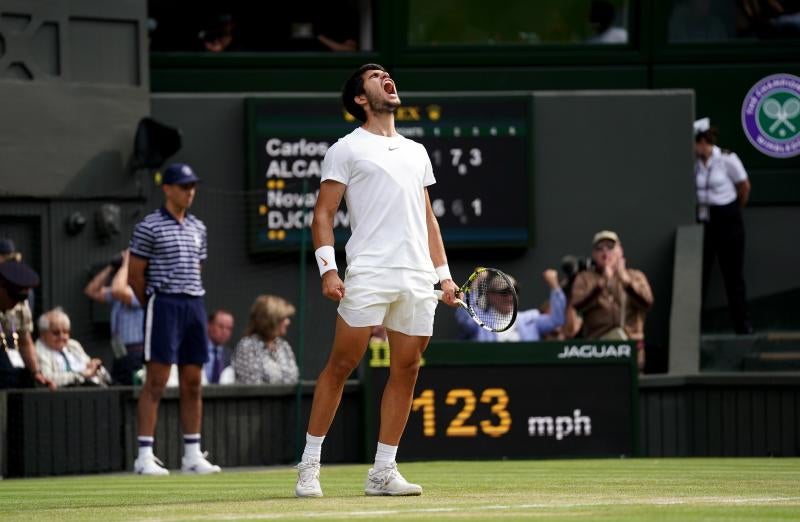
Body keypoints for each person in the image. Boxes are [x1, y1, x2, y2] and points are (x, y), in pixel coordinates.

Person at [295, 63, 459, 498]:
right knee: (342, 365)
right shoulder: (345, 149)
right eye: (374, 76)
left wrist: (443, 277)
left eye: (386, 73)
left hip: (417, 276)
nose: (386, 77)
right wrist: (328, 269)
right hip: (368, 270)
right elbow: (323, 214)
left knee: (406, 368)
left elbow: (428, 219)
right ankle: (310, 464)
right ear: (362, 100)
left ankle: (383, 472)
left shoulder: (416, 151)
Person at [128, 162, 221, 476]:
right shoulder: (148, 226)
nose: (190, 191)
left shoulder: (199, 227)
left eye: (192, 186)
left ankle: (192, 456)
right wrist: (155, 302)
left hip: (194, 304)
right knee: (156, 380)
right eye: (184, 186)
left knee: (193, 383)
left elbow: (198, 270)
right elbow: (134, 276)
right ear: (167, 189)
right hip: (164, 305)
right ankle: (143, 456)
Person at [694, 118, 753, 334]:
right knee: (701, 274)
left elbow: (744, 187)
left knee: (733, 275)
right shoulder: (694, 163)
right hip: (704, 220)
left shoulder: (727, 159)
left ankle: (742, 325)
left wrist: (734, 209)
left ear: (702, 141)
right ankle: (695, 326)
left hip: (727, 218)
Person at [571, 230, 653, 371]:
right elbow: (577, 305)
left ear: (620, 251)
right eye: (599, 248)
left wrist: (626, 282)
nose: (605, 252)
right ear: (593, 254)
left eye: (610, 247)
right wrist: (601, 284)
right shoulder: (584, 278)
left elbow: (647, 303)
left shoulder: (635, 276)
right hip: (598, 349)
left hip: (630, 347)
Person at [84, 249, 145, 385]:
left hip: (137, 352)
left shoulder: (143, 290)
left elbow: (118, 290)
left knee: (132, 391)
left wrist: (126, 264)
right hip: (120, 352)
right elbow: (91, 290)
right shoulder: (121, 293)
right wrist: (111, 267)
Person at [455, 270, 566, 342]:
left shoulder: (530, 319)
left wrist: (555, 287)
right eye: (504, 292)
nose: (510, 297)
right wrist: (474, 287)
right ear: (490, 295)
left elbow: (557, 320)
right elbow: (465, 319)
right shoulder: (480, 321)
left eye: (514, 291)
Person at [0, 260, 54, 389]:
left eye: (22, 298)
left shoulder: (20, 306)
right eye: (13, 296)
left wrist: (36, 372)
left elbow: (25, 341)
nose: (16, 302)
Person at [35, 307, 111, 388]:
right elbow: (48, 378)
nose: (62, 337)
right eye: (56, 333)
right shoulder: (39, 349)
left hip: (96, 388)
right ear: (42, 334)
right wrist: (80, 375)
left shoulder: (73, 345)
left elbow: (91, 369)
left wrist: (96, 367)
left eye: (65, 332)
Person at [232, 296, 299, 385]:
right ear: (270, 320)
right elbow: (251, 386)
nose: (288, 322)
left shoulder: (283, 346)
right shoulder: (247, 346)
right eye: (283, 318)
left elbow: (294, 379)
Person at [204, 309, 234, 384]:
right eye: (221, 326)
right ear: (209, 325)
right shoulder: (196, 350)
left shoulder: (231, 356)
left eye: (229, 328)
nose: (225, 331)